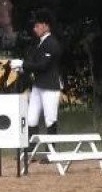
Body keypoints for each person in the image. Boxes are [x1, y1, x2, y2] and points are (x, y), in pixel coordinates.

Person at [11, 8, 63, 148]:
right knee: (31, 118)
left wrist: (23, 64)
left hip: (50, 86)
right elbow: (33, 63)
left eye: (37, 26)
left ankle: (50, 150)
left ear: (46, 26)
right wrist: (21, 68)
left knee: (50, 118)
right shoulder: (39, 44)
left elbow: (43, 65)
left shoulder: (52, 43)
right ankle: (31, 149)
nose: (35, 29)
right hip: (38, 86)